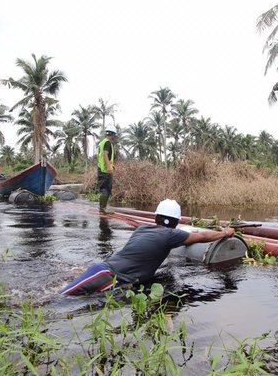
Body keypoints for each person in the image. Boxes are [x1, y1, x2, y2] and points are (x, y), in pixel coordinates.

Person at [61, 199, 235, 295]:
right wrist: (225, 233)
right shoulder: (171, 235)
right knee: (60, 298)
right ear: (176, 222)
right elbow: (203, 236)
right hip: (108, 276)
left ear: (156, 218)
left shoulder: (142, 229)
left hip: (102, 271)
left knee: (66, 294)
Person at [97, 125, 117, 214]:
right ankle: (102, 209)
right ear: (112, 134)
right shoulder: (107, 143)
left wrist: (111, 165)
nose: (115, 137)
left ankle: (103, 208)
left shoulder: (103, 142)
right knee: (105, 189)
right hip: (104, 171)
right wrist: (109, 167)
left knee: (107, 189)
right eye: (114, 135)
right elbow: (105, 155)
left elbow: (105, 157)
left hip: (103, 169)